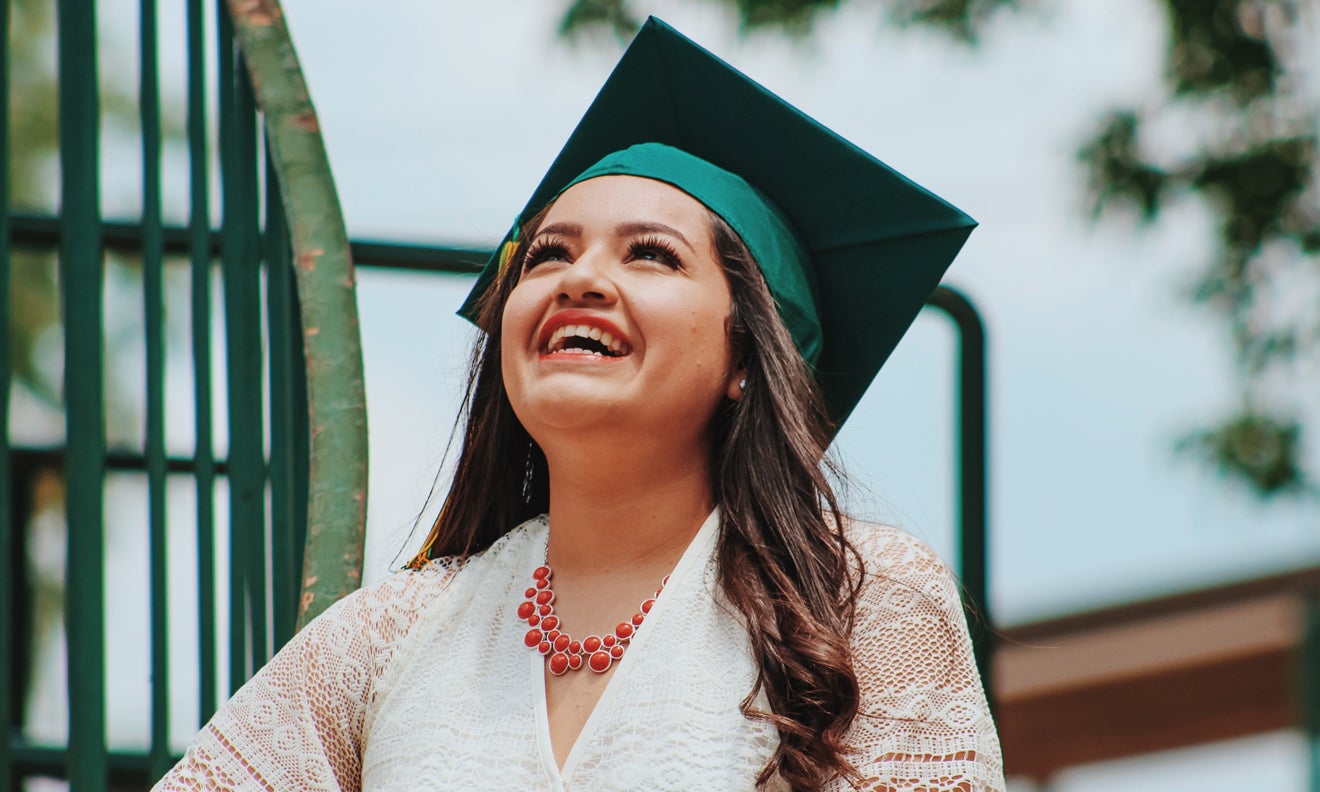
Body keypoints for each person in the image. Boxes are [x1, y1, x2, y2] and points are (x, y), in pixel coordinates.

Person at [156, 17, 1003, 792]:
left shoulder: (859, 602)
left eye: (651, 256)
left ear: (747, 352)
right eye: (547, 256)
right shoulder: (387, 638)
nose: (581, 279)